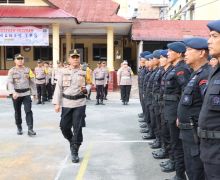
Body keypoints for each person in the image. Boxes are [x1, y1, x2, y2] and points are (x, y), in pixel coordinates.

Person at [177, 37, 210, 180]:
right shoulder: (195, 74)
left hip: (195, 133)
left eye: (190, 50)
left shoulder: (206, 75)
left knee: (196, 171)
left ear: (201, 53)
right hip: (188, 132)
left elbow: (208, 106)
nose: (185, 53)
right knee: (191, 168)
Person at [52, 49, 88, 163]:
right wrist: (57, 103)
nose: (76, 59)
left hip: (80, 103)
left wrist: (86, 89)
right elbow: (58, 88)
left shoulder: (85, 71)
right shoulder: (63, 72)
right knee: (64, 126)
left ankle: (75, 151)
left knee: (77, 128)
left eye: (77, 57)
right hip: (67, 103)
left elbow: (90, 84)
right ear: (69, 59)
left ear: (79, 58)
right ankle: (72, 142)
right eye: (73, 57)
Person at [162, 42, 191, 180]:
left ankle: (180, 175)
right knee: (174, 142)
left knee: (177, 144)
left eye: (170, 51)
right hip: (170, 110)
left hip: (175, 112)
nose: (167, 53)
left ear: (179, 54)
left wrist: (181, 114)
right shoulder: (174, 68)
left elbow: (185, 92)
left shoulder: (182, 70)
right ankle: (178, 171)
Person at [198, 20, 220, 180]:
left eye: (214, 36)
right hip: (209, 148)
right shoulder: (215, 72)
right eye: (209, 36)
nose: (209, 41)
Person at [7, 54, 37, 136]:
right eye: (18, 59)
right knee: (17, 111)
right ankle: (19, 127)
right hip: (16, 94)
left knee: (28, 111)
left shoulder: (28, 70)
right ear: (15, 61)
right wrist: (13, 92)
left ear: (23, 60)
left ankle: (30, 129)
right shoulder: (11, 71)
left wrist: (34, 93)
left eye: (21, 58)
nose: (20, 60)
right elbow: (10, 82)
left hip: (26, 93)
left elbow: (32, 82)